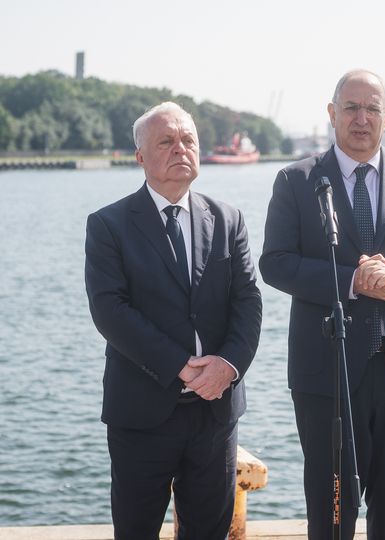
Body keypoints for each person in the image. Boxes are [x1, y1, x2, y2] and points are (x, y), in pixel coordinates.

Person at [259, 70, 385, 539]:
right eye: (351, 108)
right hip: (326, 373)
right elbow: (275, 262)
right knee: (331, 512)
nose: (361, 118)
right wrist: (353, 281)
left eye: (372, 109)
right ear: (332, 114)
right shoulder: (296, 180)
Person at [85, 102, 262, 540]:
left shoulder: (228, 219)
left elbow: (248, 302)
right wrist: (181, 366)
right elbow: (110, 311)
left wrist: (228, 367)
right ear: (140, 156)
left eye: (188, 140)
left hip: (215, 411)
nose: (180, 149)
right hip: (141, 412)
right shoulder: (108, 225)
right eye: (166, 141)